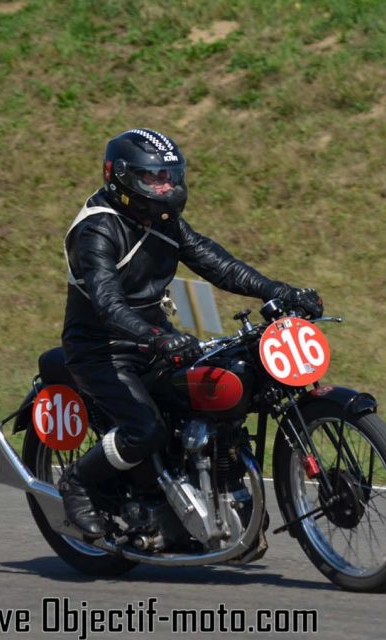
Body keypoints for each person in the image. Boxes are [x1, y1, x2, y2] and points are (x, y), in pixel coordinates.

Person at [59, 128, 323, 539]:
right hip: (102, 349)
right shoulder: (96, 231)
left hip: (154, 338)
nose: (166, 187)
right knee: (145, 430)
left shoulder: (161, 220)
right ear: (123, 178)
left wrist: (278, 290)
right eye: (154, 178)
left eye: (170, 176)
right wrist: (157, 337)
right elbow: (107, 305)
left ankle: (219, 484)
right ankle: (78, 482)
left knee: (228, 388)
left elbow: (217, 263)